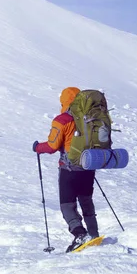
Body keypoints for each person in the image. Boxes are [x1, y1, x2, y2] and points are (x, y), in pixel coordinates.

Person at [33, 86, 99, 252]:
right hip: (88, 165)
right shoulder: (90, 118)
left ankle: (80, 234)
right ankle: (93, 233)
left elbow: (52, 146)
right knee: (86, 200)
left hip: (69, 169)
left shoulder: (62, 120)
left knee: (67, 205)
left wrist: (37, 147)